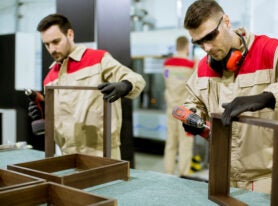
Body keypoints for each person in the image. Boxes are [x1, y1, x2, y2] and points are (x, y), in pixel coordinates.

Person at [182, 0, 278, 194]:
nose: (206, 47)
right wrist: (193, 115)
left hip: (268, 179)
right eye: (199, 42)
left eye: (210, 36)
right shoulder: (203, 67)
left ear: (226, 21)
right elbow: (193, 101)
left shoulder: (271, 51)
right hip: (221, 176)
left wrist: (267, 97)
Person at [28, 14, 146, 160]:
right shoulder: (50, 78)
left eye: (56, 41)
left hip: (102, 152)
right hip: (67, 154)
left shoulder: (98, 59)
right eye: (47, 44)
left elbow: (136, 79)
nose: (52, 49)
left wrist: (125, 85)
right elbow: (59, 119)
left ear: (70, 34)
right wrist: (43, 113)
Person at [163, 36, 197, 176]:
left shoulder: (166, 64)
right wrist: (196, 64)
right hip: (185, 112)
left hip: (171, 109)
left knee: (171, 142)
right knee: (185, 143)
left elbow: (167, 81)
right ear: (187, 47)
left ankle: (168, 173)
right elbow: (195, 83)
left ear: (176, 46)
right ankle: (183, 174)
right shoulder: (190, 65)